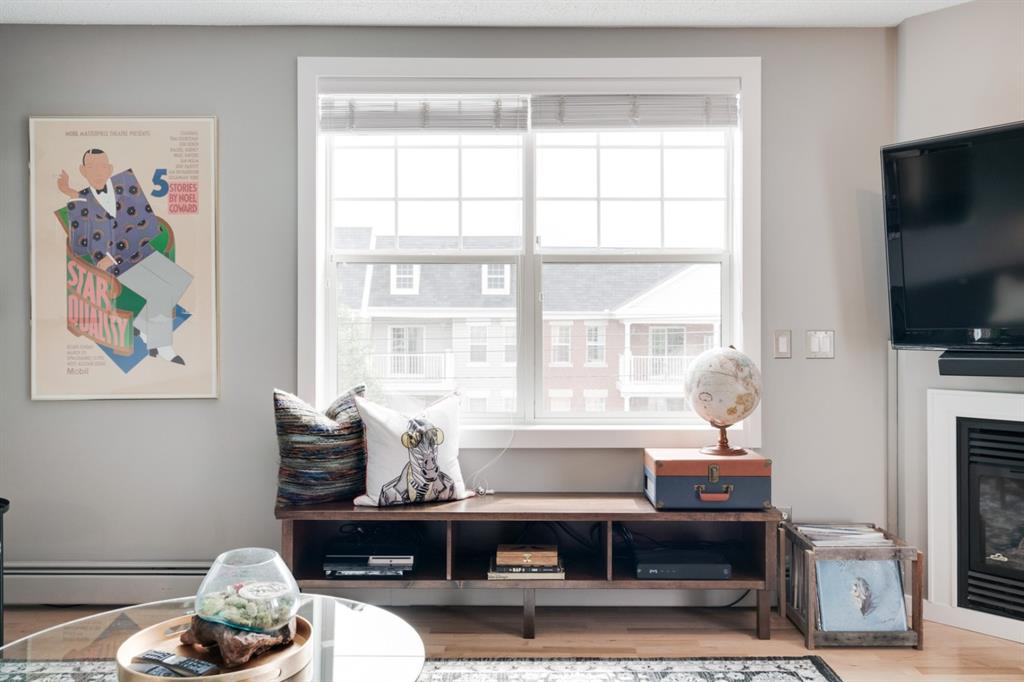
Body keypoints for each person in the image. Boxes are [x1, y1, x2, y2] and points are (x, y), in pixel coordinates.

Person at [58, 149, 192, 364]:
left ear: (110, 168)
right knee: (162, 290)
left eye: (102, 166)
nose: (97, 172)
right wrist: (72, 195)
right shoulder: (81, 200)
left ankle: (143, 326)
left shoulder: (127, 182)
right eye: (91, 167)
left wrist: (113, 256)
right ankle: (161, 347)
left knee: (180, 279)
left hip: (141, 252)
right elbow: (80, 245)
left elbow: (149, 225)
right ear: (82, 171)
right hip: (118, 268)